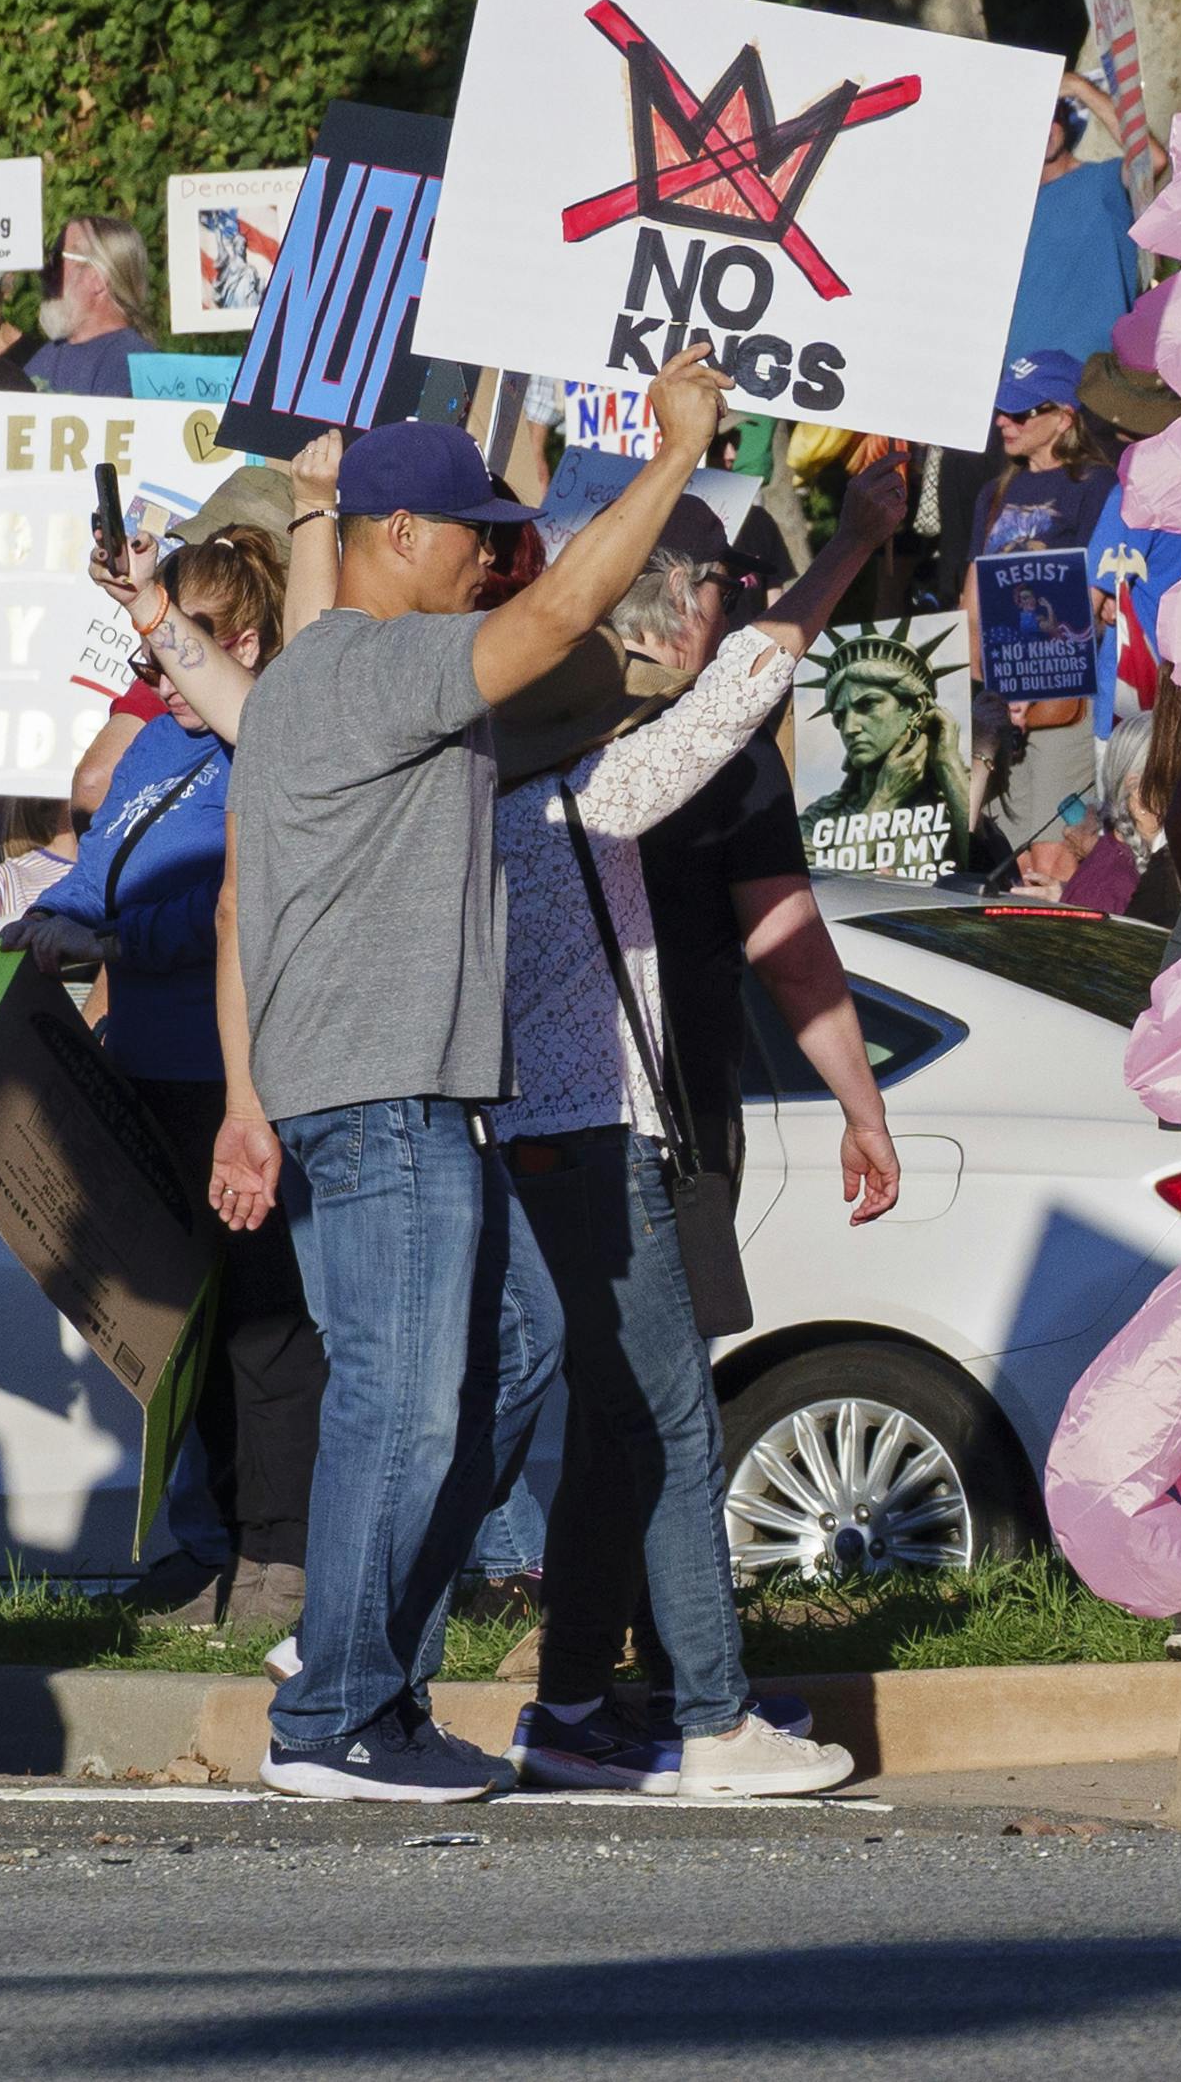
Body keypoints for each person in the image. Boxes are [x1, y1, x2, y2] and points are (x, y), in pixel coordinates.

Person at [206, 340, 727, 1804]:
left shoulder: (319, 663)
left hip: (382, 1096)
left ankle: (368, 1673)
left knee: (510, 1357)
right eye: (476, 536)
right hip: (388, 1095)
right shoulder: (378, 666)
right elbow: (566, 611)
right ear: (400, 537)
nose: (495, 560)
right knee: (406, 1398)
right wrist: (676, 452)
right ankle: (334, 1716)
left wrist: (310, 514)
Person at [477, 518, 886, 1801]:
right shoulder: (600, 795)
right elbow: (749, 684)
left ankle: (570, 1706)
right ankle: (710, 1717)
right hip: (602, 1146)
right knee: (668, 1421)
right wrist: (858, 542)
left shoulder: (484, 789)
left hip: (529, 1144)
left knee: (612, 1422)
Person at [31, 525, 315, 1623]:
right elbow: (93, 874)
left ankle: (280, 1556)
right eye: (145, 661)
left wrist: (113, 945)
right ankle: (211, 1545)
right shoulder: (153, 749)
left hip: (233, 1081)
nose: (153, 682)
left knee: (263, 1326)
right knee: (184, 1329)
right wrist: (54, 918)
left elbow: (243, 909)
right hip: (144, 1077)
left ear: (238, 639)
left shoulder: (263, 744)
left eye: (170, 655)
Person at [971, 351, 1117, 857]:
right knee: (999, 852)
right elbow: (972, 597)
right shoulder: (993, 491)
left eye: (1020, 412)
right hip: (996, 700)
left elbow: (1096, 601)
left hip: (1064, 699)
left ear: (1064, 416)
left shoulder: (1096, 487)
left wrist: (1032, 684)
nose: (1002, 422)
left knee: (1054, 851)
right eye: (1002, 411)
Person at [999, 81, 1148, 371]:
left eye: (1050, 116)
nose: (1042, 128)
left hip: (1094, 376)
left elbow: (1150, 160)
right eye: (1030, 119)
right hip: (1017, 382)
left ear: (1065, 119)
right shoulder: (1003, 204)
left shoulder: (1102, 180)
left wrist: (1081, 89)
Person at [23, 215, 162, 398]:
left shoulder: (131, 368)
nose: (46, 273)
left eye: (58, 259)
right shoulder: (48, 355)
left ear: (97, 278)